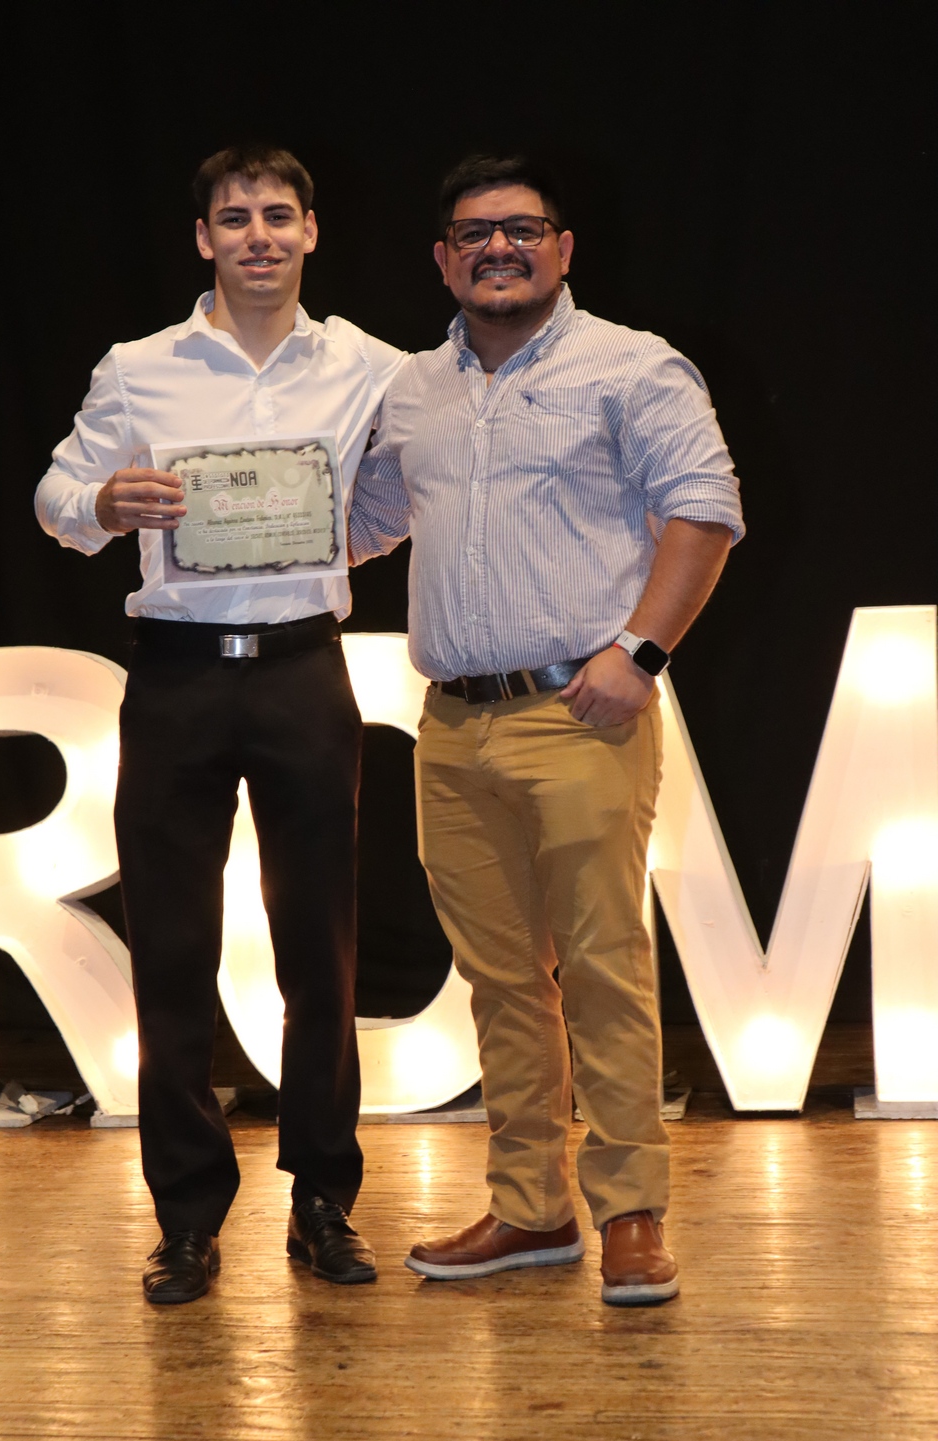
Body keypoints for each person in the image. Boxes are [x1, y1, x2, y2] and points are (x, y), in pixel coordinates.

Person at [350, 154, 744, 1305]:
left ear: (563, 250)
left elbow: (704, 511)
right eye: (474, 234)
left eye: (522, 229)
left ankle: (632, 1214)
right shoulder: (411, 390)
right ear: (443, 260)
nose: (498, 249)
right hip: (450, 729)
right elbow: (364, 524)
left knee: (604, 967)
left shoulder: (632, 366)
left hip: (580, 713)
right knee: (499, 982)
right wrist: (224, 513)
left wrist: (641, 654)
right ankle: (530, 1209)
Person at [37, 144, 404, 1304]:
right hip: (177, 681)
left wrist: (352, 533)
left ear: (311, 231)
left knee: (321, 950)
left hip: (303, 672)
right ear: (203, 238)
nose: (258, 236)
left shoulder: (369, 365)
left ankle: (323, 1201)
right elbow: (56, 496)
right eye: (235, 218)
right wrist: (104, 503)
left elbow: (418, 475)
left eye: (278, 216)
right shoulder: (139, 368)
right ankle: (187, 1219)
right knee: (173, 953)